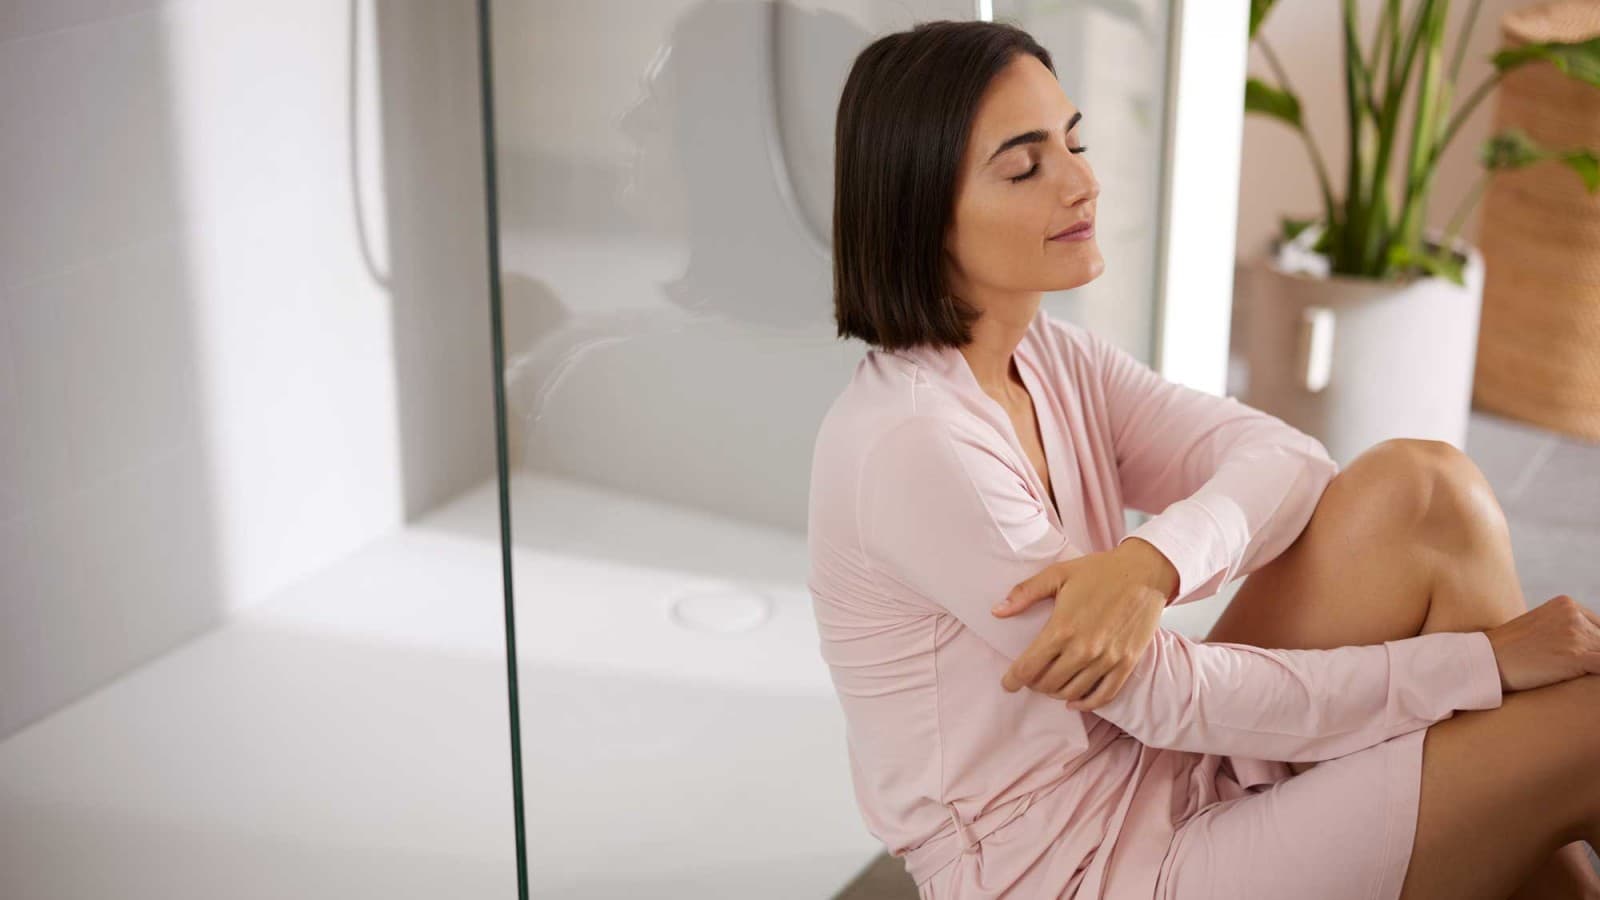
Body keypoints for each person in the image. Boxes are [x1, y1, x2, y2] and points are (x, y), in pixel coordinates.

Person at [806, 19, 1600, 900]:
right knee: (1580, 725)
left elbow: (1290, 460)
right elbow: (1165, 695)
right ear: (922, 209)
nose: (1083, 183)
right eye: (1026, 166)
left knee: (1425, 490)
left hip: (1159, 771)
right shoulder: (918, 444)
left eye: (1075, 143)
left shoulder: (1052, 358)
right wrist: (1483, 665)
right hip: (1086, 871)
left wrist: (1154, 562)